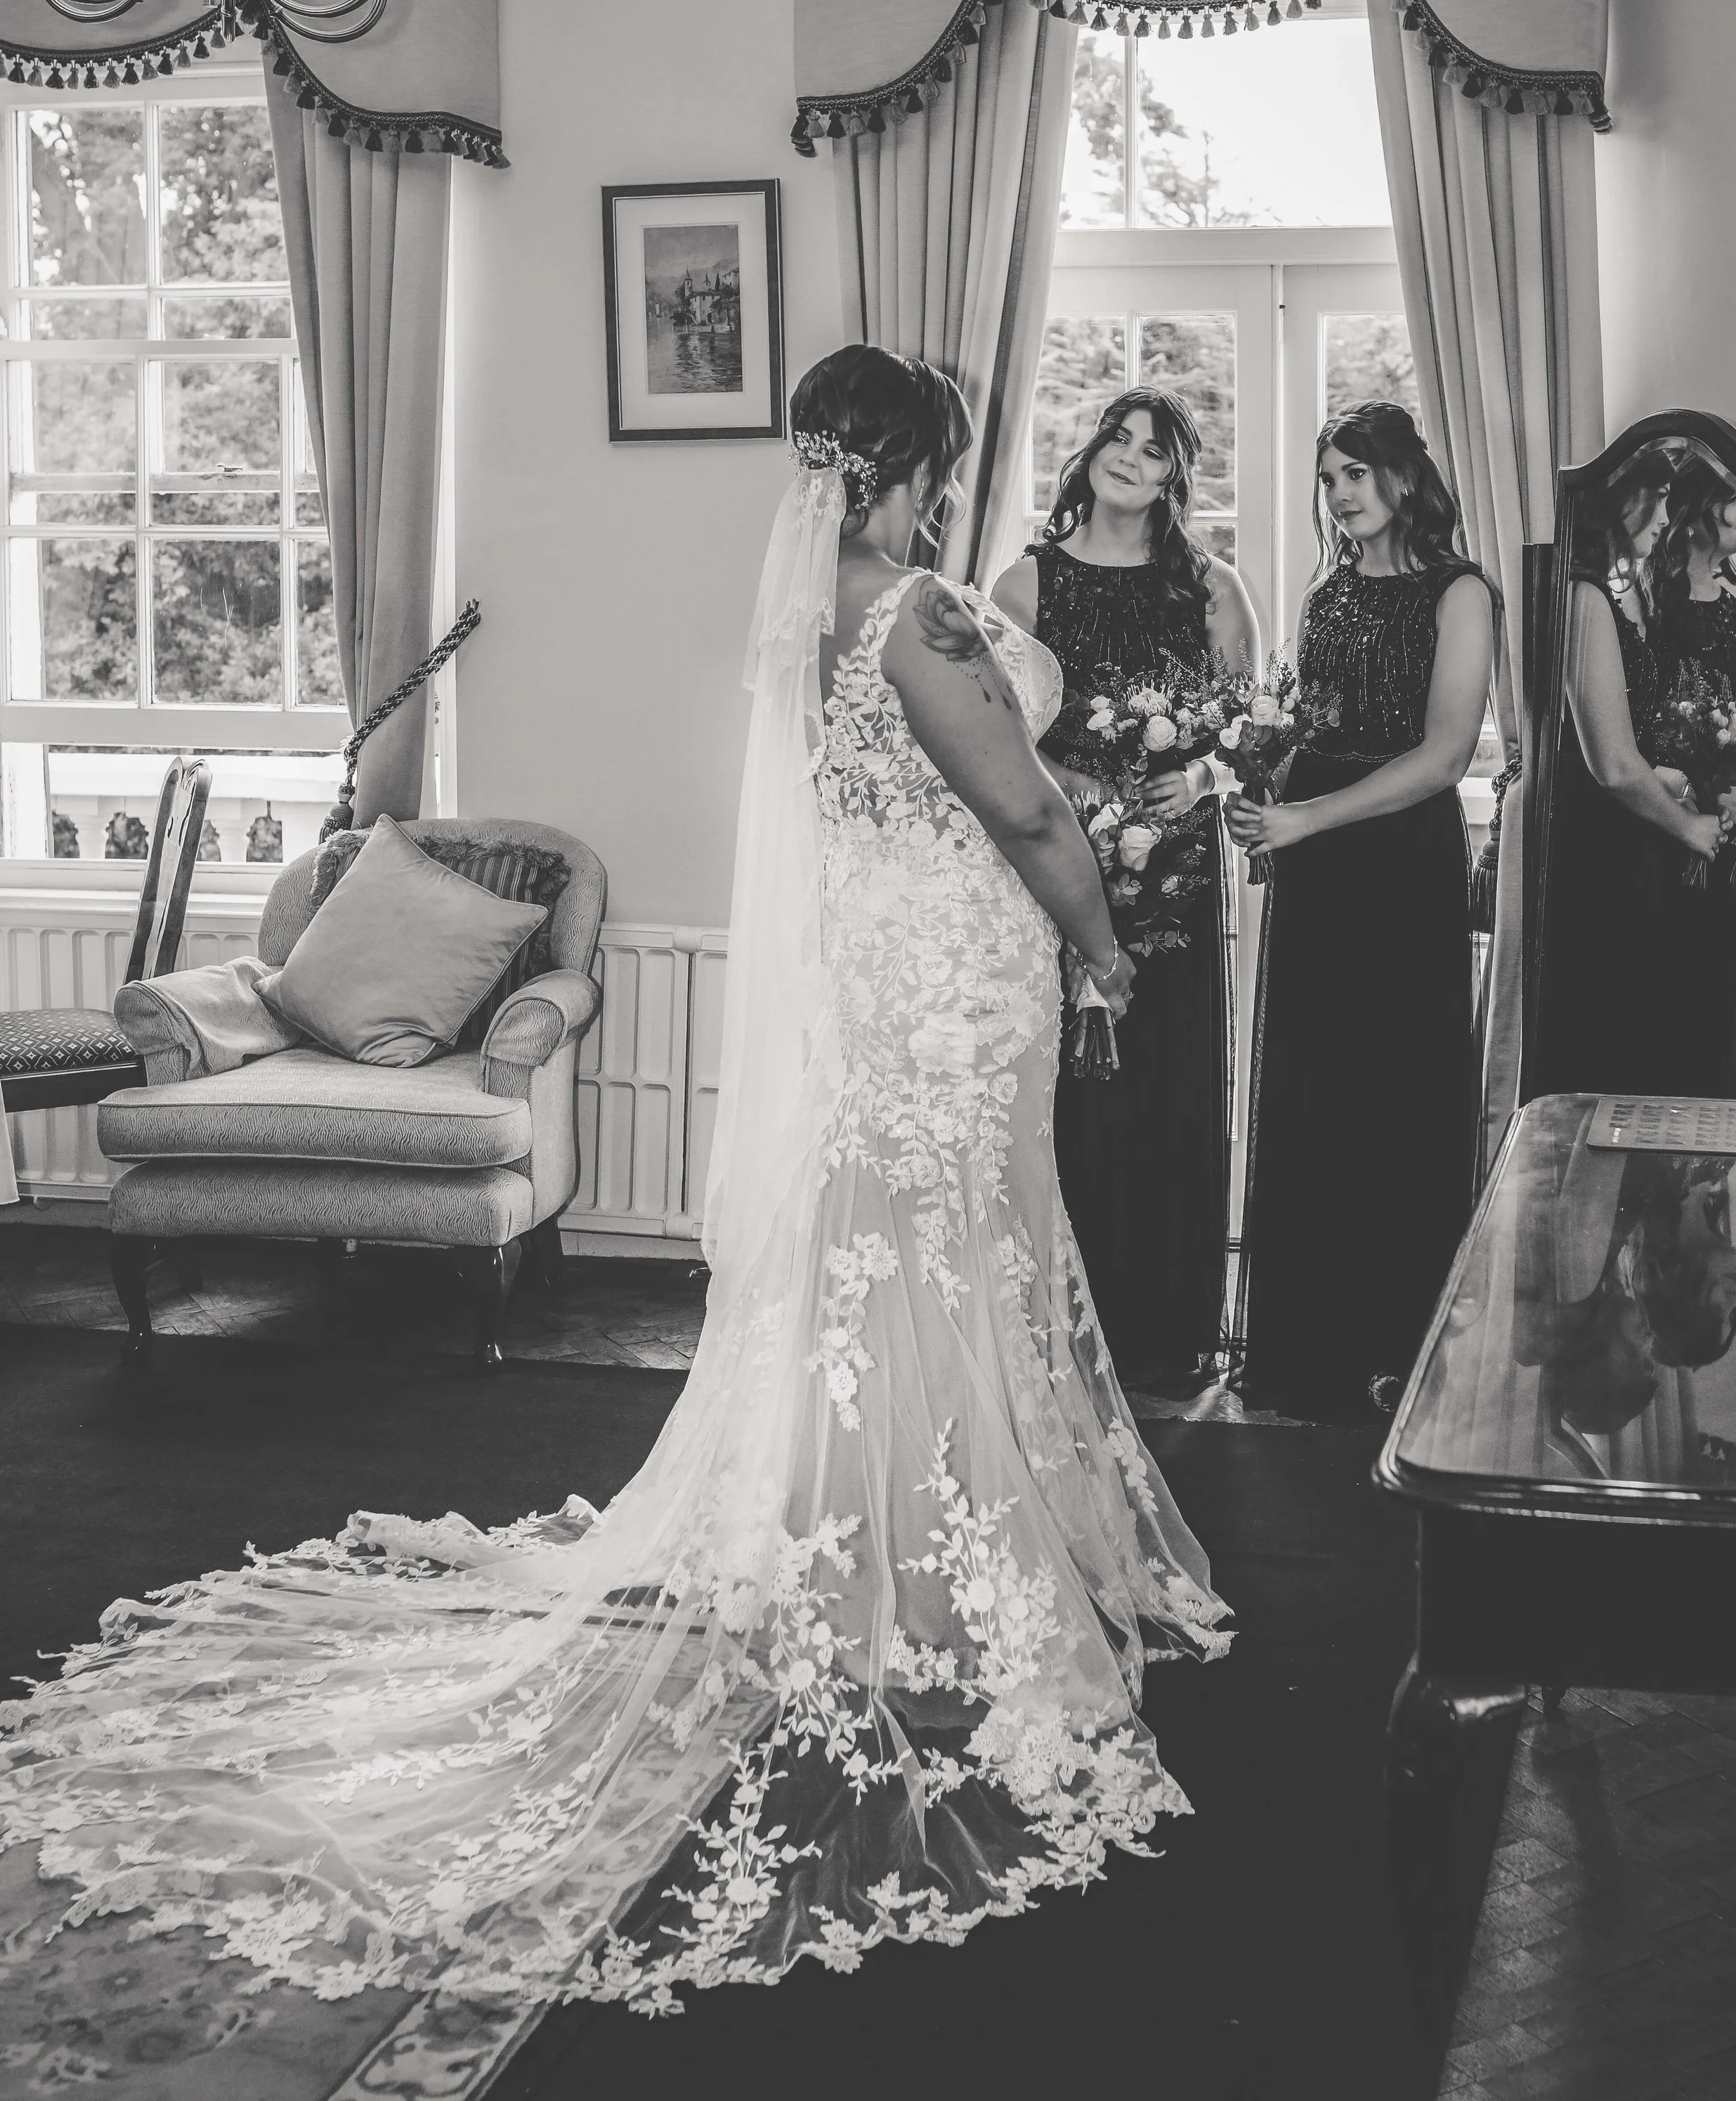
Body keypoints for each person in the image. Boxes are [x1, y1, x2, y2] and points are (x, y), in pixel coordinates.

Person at [0, 344, 1229, 2022]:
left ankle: (883, 1533)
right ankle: (921, 1563)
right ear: (897, 468)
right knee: (941, 1243)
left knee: (905, 1249)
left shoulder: (817, 613)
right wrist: (1101, 946)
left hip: (900, 962)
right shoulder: (918, 616)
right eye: (939, 466)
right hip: (951, 972)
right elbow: (1012, 807)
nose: (949, 492)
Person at [1226, 401, 1494, 1422]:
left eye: (1356, 473)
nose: (1340, 493)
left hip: (1396, 858)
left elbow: (1443, 757)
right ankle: (1312, 1342)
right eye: (1329, 476)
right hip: (1319, 858)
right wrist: (1261, 778)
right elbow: (1310, 721)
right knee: (1316, 1087)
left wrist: (1309, 819)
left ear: (1404, 478)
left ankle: (1399, 1344)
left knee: (1395, 1089)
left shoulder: (1459, 592)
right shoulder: (1329, 590)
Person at [992, 389, 1258, 1397]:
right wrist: (1079, 788)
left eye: (1154, 451)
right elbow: (995, 741)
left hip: (1179, 881)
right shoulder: (1025, 585)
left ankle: (1165, 1329)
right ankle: (1062, 1326)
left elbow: (1250, 739)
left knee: (1168, 1089)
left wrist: (1198, 780)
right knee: (1070, 1096)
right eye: (1119, 438)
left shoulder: (1214, 589)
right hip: (1061, 876)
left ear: (1172, 482)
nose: (1130, 458)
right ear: (1094, 451)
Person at [1541, 445, 1723, 1095]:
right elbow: (1613, 766)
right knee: (1614, 1037)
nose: (1667, 515)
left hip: (1632, 833)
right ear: (1621, 501)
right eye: (1659, 498)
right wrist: (1689, 829)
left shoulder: (1626, 592)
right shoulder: (1584, 597)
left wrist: (1670, 774)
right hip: (1603, 849)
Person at [1647, 450, 1736, 1093]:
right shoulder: (1649, 602)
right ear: (1692, 510)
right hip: (1659, 815)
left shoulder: (1731, 609)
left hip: (1722, 822)